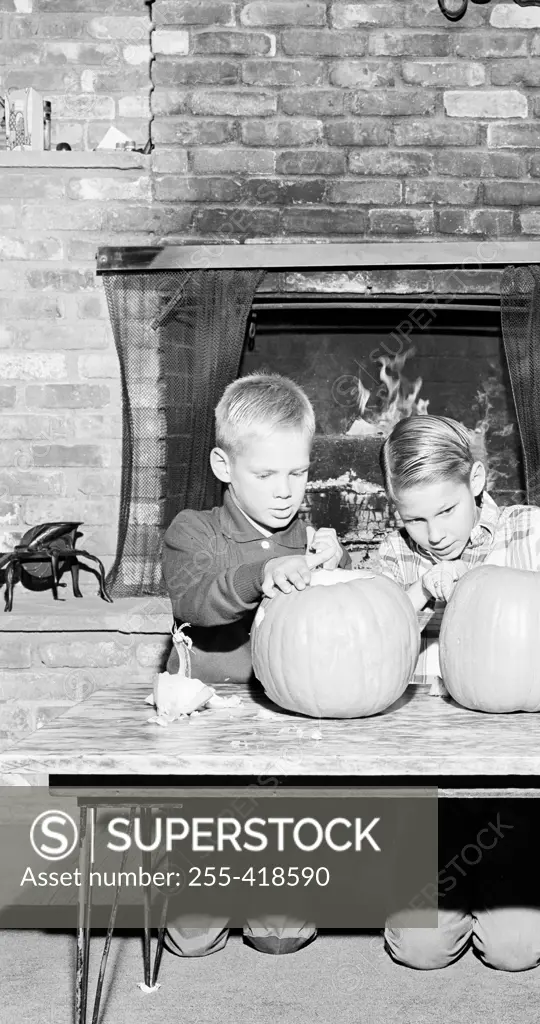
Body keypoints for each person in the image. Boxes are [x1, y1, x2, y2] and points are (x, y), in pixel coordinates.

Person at [373, 414, 540, 972]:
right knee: (422, 949)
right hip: (429, 775)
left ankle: (512, 871)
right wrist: (417, 595)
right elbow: (362, 645)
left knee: (514, 951)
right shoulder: (395, 555)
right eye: (415, 519)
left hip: (521, 774)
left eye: (445, 510)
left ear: (476, 481)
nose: (434, 533)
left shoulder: (528, 529)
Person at [160, 371, 350, 958]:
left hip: (283, 736)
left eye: (298, 472)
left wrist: (330, 570)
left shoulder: (311, 538)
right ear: (223, 466)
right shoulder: (194, 531)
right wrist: (261, 574)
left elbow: (344, 636)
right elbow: (198, 598)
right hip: (207, 735)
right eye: (265, 474)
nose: (285, 490)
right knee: (191, 937)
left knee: (278, 933)